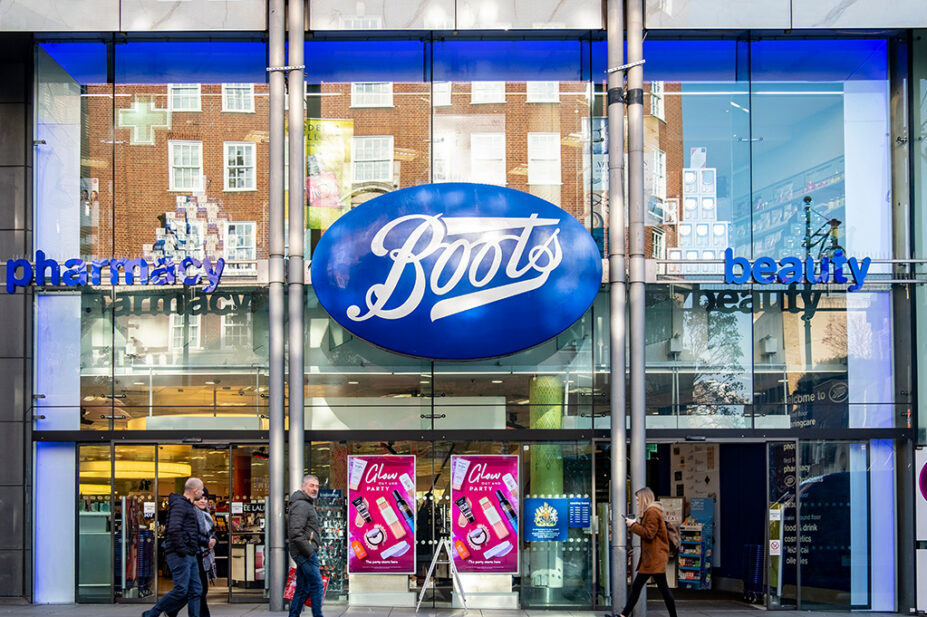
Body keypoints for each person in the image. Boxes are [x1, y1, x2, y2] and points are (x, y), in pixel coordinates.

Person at [143, 477, 204, 617]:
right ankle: (152, 613)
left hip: (189, 553)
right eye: (201, 489)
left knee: (196, 590)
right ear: (195, 491)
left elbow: (188, 531)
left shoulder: (187, 505)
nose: (202, 492)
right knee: (181, 589)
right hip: (180, 554)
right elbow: (174, 530)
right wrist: (183, 550)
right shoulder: (180, 505)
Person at [619, 487, 677, 617]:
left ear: (645, 499)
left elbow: (649, 534)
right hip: (652, 558)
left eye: (638, 500)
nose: (638, 502)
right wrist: (634, 524)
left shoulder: (652, 512)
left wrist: (632, 525)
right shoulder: (651, 512)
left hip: (654, 559)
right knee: (644, 588)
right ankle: (623, 615)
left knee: (650, 588)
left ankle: (623, 615)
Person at [167, 488, 217, 617]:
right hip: (194, 553)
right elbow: (192, 534)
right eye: (201, 498)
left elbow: (212, 533)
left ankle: (171, 610)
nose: (203, 501)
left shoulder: (206, 514)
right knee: (195, 590)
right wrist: (207, 542)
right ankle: (163, 610)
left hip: (203, 554)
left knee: (197, 590)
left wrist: (213, 540)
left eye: (205, 499)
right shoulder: (193, 513)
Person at [287, 474, 324, 617]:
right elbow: (296, 532)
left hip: (303, 552)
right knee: (317, 585)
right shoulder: (302, 505)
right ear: (303, 487)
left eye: (317, 486)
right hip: (304, 553)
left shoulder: (305, 504)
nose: (315, 489)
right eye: (311, 485)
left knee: (302, 589)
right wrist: (309, 552)